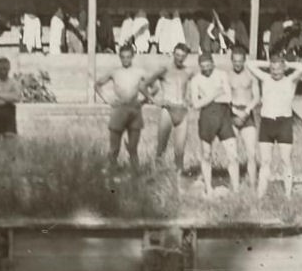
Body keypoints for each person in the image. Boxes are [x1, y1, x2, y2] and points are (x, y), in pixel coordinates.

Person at [247, 53, 302, 198]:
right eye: (273, 69)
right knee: (265, 161)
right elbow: (249, 64)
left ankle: (288, 195)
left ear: (284, 69)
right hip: (267, 123)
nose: (275, 72)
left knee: (286, 160)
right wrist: (268, 64)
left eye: (279, 69)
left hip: (283, 123)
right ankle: (260, 194)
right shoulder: (265, 78)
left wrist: (287, 64)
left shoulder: (290, 80)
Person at [95, 44, 156, 175]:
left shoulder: (139, 72)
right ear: (120, 57)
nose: (126, 60)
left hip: (134, 109)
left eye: (128, 57)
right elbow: (98, 84)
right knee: (114, 148)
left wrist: (144, 100)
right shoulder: (115, 72)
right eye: (123, 57)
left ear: (132, 57)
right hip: (119, 109)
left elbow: (155, 87)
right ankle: (111, 173)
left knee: (133, 148)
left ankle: (135, 174)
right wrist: (108, 99)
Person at [190, 50, 239, 195]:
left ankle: (236, 189)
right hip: (207, 118)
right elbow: (196, 104)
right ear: (199, 66)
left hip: (223, 116)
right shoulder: (196, 80)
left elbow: (228, 97)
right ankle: (209, 188)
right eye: (203, 67)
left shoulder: (222, 75)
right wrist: (215, 94)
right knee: (206, 154)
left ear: (213, 63)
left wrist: (206, 98)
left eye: (208, 66)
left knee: (233, 154)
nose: (206, 69)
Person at [151, 44, 195, 175]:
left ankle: (178, 178)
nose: (179, 58)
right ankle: (157, 175)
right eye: (177, 55)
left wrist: (191, 99)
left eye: (183, 56)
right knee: (161, 146)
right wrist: (154, 100)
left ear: (186, 57)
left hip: (182, 110)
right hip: (167, 110)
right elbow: (144, 84)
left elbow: (198, 85)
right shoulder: (164, 70)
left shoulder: (188, 72)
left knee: (180, 150)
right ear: (173, 54)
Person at [225, 47, 261, 190]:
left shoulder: (251, 76)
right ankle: (235, 188)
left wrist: (246, 111)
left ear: (244, 61)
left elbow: (257, 97)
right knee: (232, 155)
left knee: (251, 154)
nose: (237, 64)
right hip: (232, 113)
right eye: (235, 61)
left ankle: (252, 187)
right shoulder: (227, 76)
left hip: (247, 114)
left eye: (240, 61)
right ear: (231, 61)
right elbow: (225, 97)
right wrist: (234, 111)